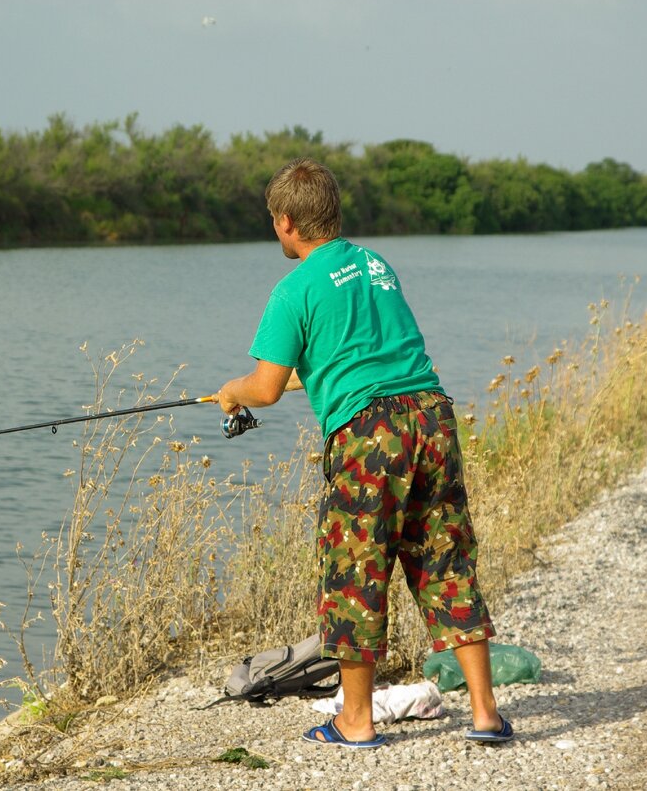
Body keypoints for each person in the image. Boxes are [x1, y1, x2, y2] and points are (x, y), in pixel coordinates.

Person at [216, 157, 511, 748]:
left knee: (357, 569)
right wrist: (316, 374)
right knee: (445, 560)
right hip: (431, 415)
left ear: (286, 222)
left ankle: (356, 721)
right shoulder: (376, 265)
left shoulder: (293, 287)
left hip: (369, 434)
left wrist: (230, 393)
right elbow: (368, 350)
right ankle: (485, 713)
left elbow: (266, 388)